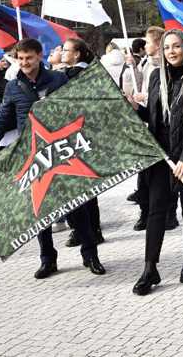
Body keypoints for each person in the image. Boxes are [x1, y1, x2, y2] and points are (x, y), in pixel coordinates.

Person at [0, 38, 106, 279]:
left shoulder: (58, 79)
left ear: (39, 56)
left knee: (77, 207)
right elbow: (0, 122)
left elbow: (77, 110)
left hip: (61, 152)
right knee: (40, 210)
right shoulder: (13, 87)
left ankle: (90, 255)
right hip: (32, 157)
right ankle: (47, 260)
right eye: (20, 59)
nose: (24, 63)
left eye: (29, 58)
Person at [128, 29, 183, 295]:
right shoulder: (154, 77)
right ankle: (150, 267)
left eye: (176, 46)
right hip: (160, 156)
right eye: (167, 47)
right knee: (156, 211)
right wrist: (132, 107)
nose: (171, 51)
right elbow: (153, 116)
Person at [132, 27, 180, 232]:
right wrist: (135, 106)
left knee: (171, 181)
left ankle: (170, 213)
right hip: (153, 136)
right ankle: (149, 211)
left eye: (148, 41)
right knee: (150, 181)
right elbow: (152, 112)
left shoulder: (168, 71)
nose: (145, 45)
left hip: (172, 139)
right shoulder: (150, 69)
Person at [60, 38, 104, 247]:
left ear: (77, 54)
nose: (62, 52)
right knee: (88, 189)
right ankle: (92, 229)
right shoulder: (90, 71)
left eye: (65, 50)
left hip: (78, 136)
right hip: (86, 135)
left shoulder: (74, 74)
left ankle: (84, 231)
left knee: (80, 188)